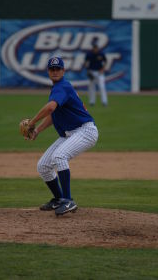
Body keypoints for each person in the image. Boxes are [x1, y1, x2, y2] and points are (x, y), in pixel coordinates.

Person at [28, 57, 99, 216]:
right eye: (52, 69)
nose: (55, 72)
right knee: (43, 166)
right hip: (71, 133)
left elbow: (51, 107)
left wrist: (32, 122)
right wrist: (38, 130)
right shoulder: (59, 89)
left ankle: (68, 200)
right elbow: (54, 114)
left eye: (58, 69)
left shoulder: (62, 86)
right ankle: (59, 199)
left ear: (63, 71)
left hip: (85, 131)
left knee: (60, 156)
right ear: (48, 72)